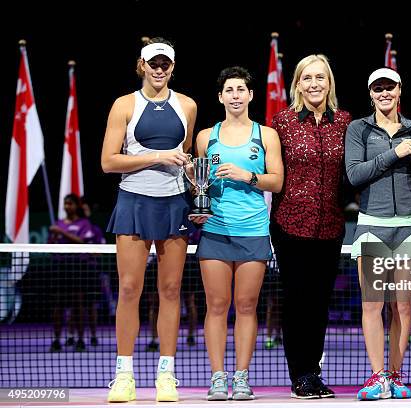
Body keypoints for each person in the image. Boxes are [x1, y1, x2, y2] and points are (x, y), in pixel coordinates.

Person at [101, 37, 197, 403]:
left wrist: (191, 172)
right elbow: (109, 161)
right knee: (129, 290)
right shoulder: (124, 105)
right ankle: (123, 375)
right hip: (133, 202)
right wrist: (157, 156)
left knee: (171, 291)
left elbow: (185, 157)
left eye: (165, 64)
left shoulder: (187, 105)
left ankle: (166, 375)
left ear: (172, 67)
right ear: (141, 65)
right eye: (153, 63)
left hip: (174, 204)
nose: (159, 69)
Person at [194, 66, 283, 401]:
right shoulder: (205, 137)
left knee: (246, 306)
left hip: (254, 230)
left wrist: (248, 175)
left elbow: (277, 181)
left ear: (250, 95)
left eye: (240, 89)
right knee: (217, 305)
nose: (235, 95)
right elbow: (197, 184)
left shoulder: (266, 135)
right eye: (229, 89)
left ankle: (242, 378)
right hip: (215, 229)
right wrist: (194, 185)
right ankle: (218, 378)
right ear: (220, 97)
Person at [270, 54, 351, 399]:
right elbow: (273, 171)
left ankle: (314, 372)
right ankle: (300, 374)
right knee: (297, 300)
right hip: (290, 225)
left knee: (319, 303)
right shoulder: (282, 122)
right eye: (308, 78)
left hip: (331, 227)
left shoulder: (346, 122)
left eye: (320, 77)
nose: (314, 84)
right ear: (298, 84)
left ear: (329, 82)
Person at [345, 67, 411, 400]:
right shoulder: (357, 129)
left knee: (403, 309)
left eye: (389, 87)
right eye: (378, 89)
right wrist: (395, 153)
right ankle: (377, 377)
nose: (384, 93)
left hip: (409, 225)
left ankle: (395, 375)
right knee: (372, 305)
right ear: (370, 93)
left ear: (400, 90)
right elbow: (354, 175)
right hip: (372, 226)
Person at [48, 194, 95, 353]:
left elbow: (83, 242)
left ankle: (80, 339)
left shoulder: (84, 223)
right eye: (65, 204)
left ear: (76, 206)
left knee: (78, 304)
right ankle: (56, 340)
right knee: (58, 305)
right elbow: (50, 246)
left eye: (70, 204)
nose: (67, 206)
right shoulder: (58, 223)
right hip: (61, 267)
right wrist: (54, 236)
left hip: (78, 267)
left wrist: (61, 232)